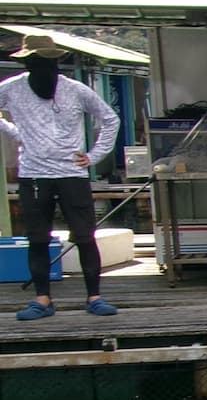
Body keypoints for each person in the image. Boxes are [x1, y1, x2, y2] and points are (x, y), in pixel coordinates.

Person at [0, 33, 121, 321]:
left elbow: (110, 119)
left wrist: (93, 156)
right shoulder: (12, 89)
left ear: (55, 64)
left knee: (84, 236)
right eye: (35, 63)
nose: (42, 68)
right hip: (34, 174)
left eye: (46, 63)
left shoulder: (76, 90)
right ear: (27, 64)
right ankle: (42, 299)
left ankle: (94, 296)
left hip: (72, 173)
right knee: (37, 238)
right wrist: (17, 134)